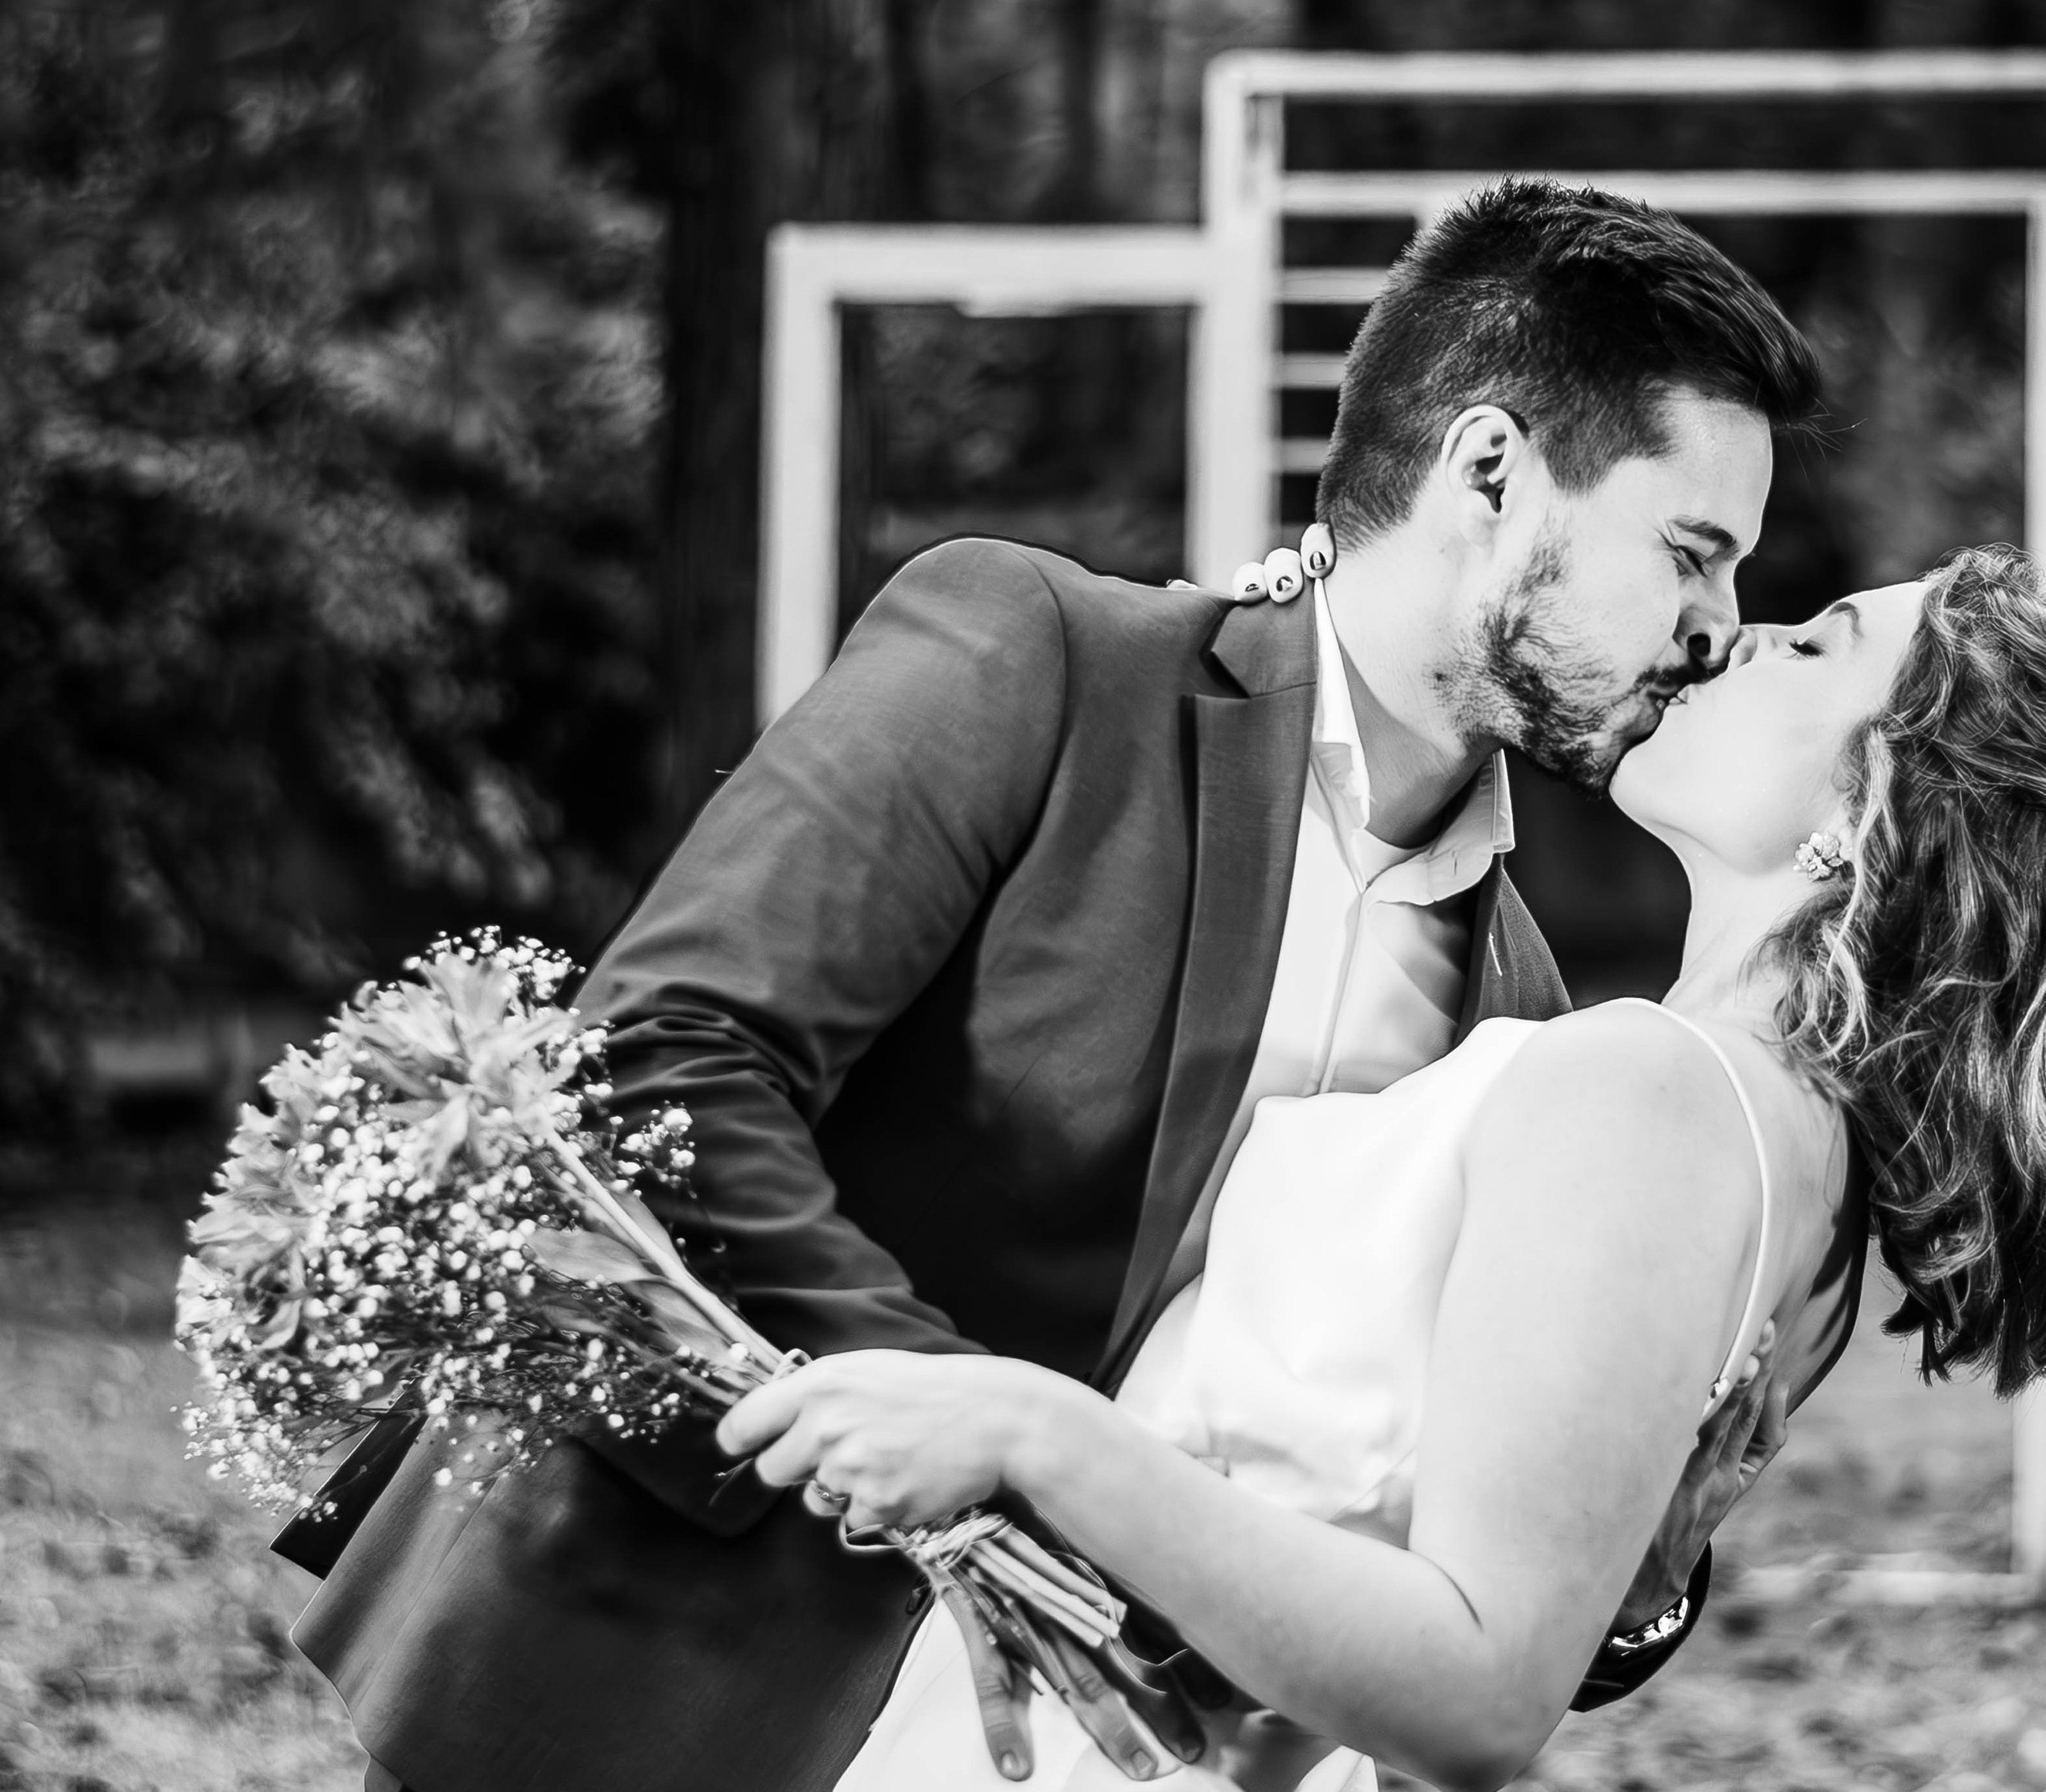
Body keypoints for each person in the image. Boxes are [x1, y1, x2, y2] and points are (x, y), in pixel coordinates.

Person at [284, 178, 1827, 1792]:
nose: (1719, 628)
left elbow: (1427, 1561)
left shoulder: (1527, 1017)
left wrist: (1637, 1577)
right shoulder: (1041, 657)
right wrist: (1007, 1467)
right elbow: (663, 1055)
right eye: (1691, 553)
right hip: (664, 1679)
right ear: (1491, 472)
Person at [723, 543, 2046, 1792]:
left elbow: (1483, 1690)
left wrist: (1031, 1430)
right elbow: (1525, 1571)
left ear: (1876, 808)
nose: (1733, 636)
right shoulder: (1800, 1177)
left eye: (1817, 645)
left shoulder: (1650, 1093)